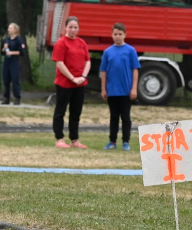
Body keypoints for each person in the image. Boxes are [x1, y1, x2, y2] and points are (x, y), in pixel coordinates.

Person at [99, 23, 140, 151]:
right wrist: (103, 89)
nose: (118, 37)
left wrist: (134, 88)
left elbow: (135, 70)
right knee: (114, 117)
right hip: (112, 90)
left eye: (120, 34)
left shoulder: (130, 51)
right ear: (112, 35)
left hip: (126, 91)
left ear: (125, 35)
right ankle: (112, 141)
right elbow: (104, 71)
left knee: (126, 117)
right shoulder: (107, 52)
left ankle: (126, 141)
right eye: (115, 34)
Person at [52, 16, 90, 148]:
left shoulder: (82, 43)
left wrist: (83, 77)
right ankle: (60, 139)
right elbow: (60, 63)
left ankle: (74, 139)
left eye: (75, 27)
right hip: (64, 83)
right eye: (70, 27)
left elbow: (87, 61)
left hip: (80, 83)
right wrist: (72, 78)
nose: (73, 30)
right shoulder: (61, 43)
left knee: (76, 112)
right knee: (60, 111)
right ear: (65, 28)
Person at [1, 22, 26, 105]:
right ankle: (6, 98)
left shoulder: (18, 40)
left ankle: (17, 97)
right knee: (6, 80)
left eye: (11, 28)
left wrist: (12, 52)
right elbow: (2, 51)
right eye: (8, 28)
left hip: (14, 61)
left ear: (15, 30)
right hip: (7, 61)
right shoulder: (6, 39)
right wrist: (4, 48)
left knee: (15, 80)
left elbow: (21, 52)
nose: (9, 30)